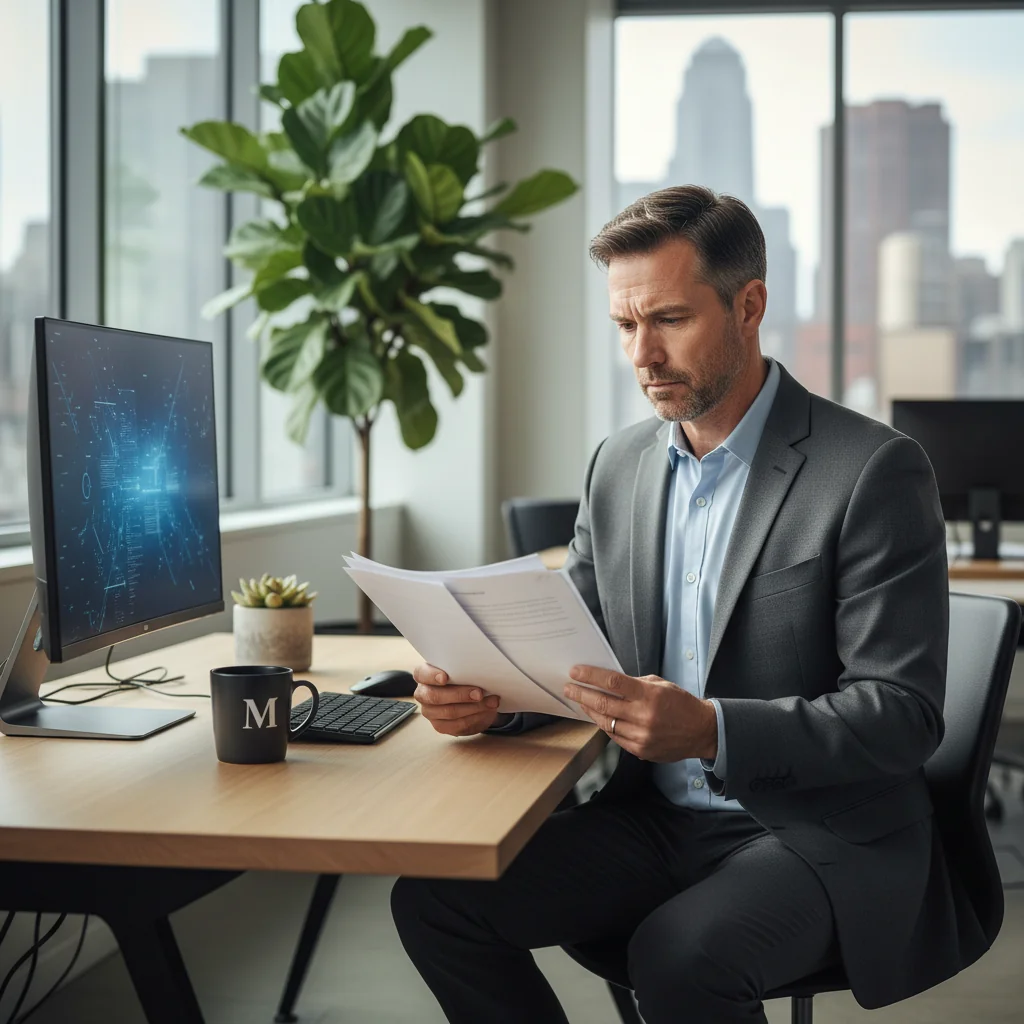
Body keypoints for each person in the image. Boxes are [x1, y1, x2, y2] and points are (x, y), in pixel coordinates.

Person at [391, 186, 984, 1024]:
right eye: (625, 326)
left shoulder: (873, 469)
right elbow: (577, 657)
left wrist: (712, 730)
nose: (643, 354)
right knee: (434, 903)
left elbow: (902, 715)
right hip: (653, 818)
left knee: (677, 958)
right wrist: (489, 701)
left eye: (669, 319)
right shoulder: (618, 465)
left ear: (750, 307)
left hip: (814, 832)